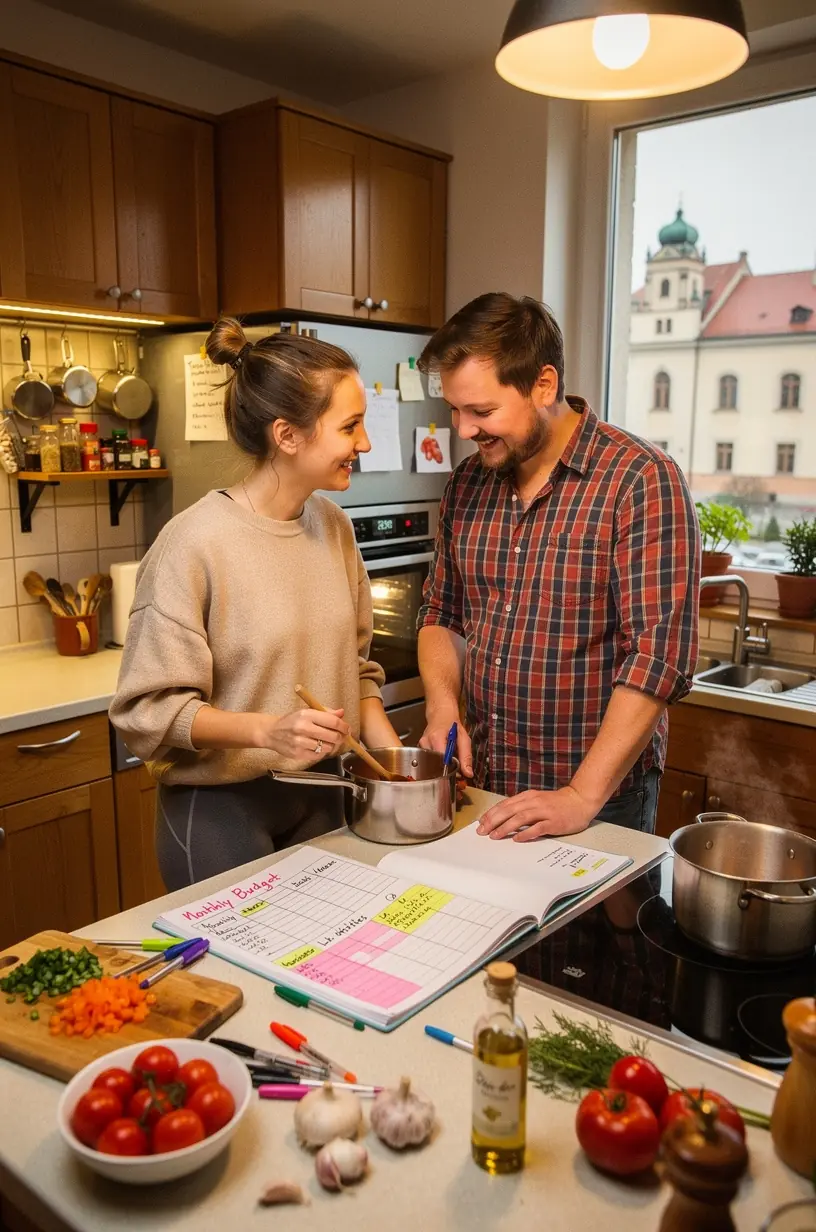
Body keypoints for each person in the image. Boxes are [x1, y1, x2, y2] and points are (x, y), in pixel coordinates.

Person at [110, 319, 400, 889]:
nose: (364, 444)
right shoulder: (194, 544)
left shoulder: (333, 527)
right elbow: (147, 712)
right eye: (351, 426)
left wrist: (399, 766)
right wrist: (268, 731)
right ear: (287, 435)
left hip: (325, 794)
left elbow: (359, 671)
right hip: (222, 811)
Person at [416, 292, 700, 840]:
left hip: (596, 800)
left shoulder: (639, 481)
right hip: (485, 787)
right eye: (454, 409)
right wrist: (442, 707)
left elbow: (659, 657)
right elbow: (441, 614)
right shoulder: (469, 483)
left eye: (481, 411)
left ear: (543, 385)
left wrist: (579, 797)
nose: (463, 429)